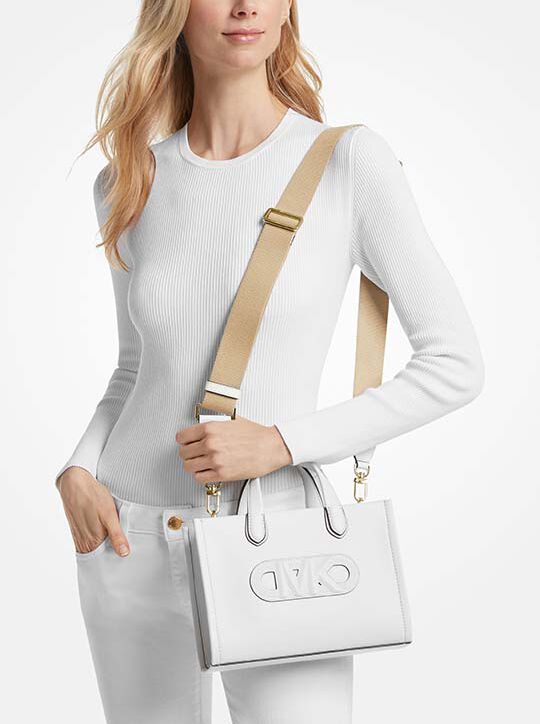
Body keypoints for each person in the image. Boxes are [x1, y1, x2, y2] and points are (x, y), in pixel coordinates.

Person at [55, 1, 485, 722]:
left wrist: (284, 442)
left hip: (280, 539)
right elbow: (135, 369)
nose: (246, 5)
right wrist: (76, 470)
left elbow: (455, 364)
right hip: (129, 538)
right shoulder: (128, 181)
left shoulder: (348, 161)